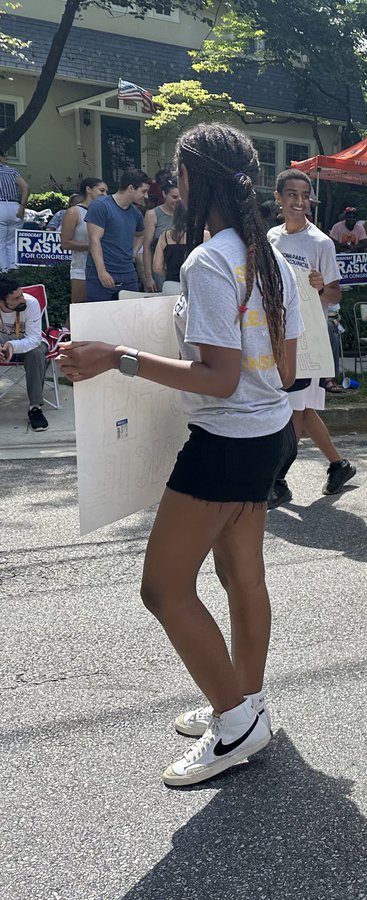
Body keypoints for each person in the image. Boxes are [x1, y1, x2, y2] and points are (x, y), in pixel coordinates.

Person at [57, 122, 303, 787]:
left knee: (162, 587)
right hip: (269, 432)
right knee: (241, 576)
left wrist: (118, 357)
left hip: (226, 442)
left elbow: (217, 377)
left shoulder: (208, 259)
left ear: (195, 180)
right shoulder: (268, 253)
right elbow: (283, 365)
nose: (172, 185)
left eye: (176, 174)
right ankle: (245, 704)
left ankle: (235, 720)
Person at [267, 168, 356, 503]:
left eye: (305, 196)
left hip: (307, 338)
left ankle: (277, 478)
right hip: (275, 335)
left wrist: (321, 288)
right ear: (279, 198)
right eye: (292, 195)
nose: (299, 202)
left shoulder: (321, 242)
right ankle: (339, 464)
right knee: (301, 408)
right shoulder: (271, 239)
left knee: (294, 410)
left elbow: (335, 294)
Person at [85, 168, 152, 300]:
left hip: (128, 272)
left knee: (131, 315)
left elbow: (141, 234)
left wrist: (133, 252)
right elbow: (94, 240)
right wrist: (101, 271)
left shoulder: (135, 213)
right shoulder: (100, 206)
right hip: (102, 272)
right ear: (131, 188)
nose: (146, 196)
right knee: (100, 315)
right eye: (143, 191)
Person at [0, 276, 50, 431]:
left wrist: (12, 346)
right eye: (16, 298)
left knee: (36, 353)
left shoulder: (31, 303)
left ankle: (35, 408)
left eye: (21, 294)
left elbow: (35, 339)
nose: (23, 299)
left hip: (27, 347)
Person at [59, 178, 108, 303]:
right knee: (79, 308)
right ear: (88, 189)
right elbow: (65, 243)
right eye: (101, 190)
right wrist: (93, 246)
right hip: (81, 268)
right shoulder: (74, 212)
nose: (105, 195)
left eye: (106, 192)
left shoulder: (105, 212)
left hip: (105, 267)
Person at [152, 201, 201, 294]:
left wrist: (170, 274)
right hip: (194, 283)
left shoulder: (165, 236)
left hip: (171, 284)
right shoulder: (203, 235)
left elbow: (157, 267)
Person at [143, 180, 181, 291]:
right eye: (174, 197)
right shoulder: (153, 214)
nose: (178, 201)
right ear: (164, 194)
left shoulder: (186, 214)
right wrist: (149, 277)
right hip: (159, 270)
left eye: (180, 197)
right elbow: (147, 248)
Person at [0, 147, 30, 271]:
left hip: (1, 206)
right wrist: (22, 206)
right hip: (15, 207)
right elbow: (26, 187)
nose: (6, 158)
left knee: (0, 243)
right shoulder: (12, 171)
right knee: (12, 242)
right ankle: (13, 269)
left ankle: (3, 270)